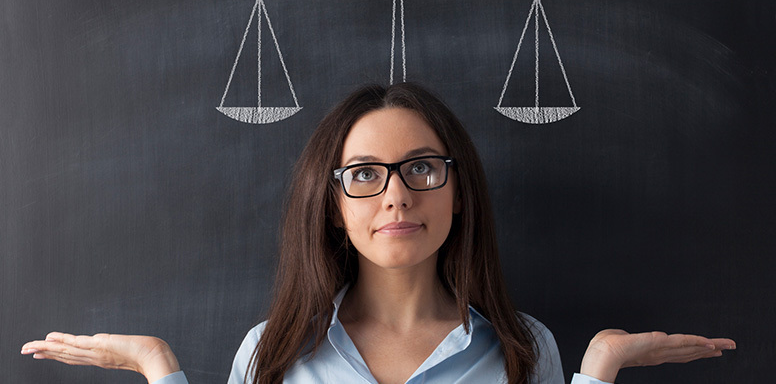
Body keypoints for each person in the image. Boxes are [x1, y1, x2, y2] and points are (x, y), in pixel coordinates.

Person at [22, 83, 735, 384]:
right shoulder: (271, 351)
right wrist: (159, 366)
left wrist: (598, 366)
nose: (396, 194)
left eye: (421, 167)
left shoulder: (524, 349)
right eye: (364, 173)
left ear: (458, 193)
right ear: (332, 204)